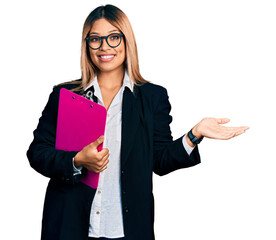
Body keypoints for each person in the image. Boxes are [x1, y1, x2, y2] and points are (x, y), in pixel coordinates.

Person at [27, 4, 249, 240]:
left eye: (114, 37)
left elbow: (160, 160)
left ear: (127, 42)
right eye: (95, 39)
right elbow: (38, 153)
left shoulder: (153, 97)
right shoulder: (65, 95)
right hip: (69, 227)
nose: (104, 47)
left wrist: (194, 134)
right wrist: (77, 160)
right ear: (87, 45)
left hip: (127, 228)